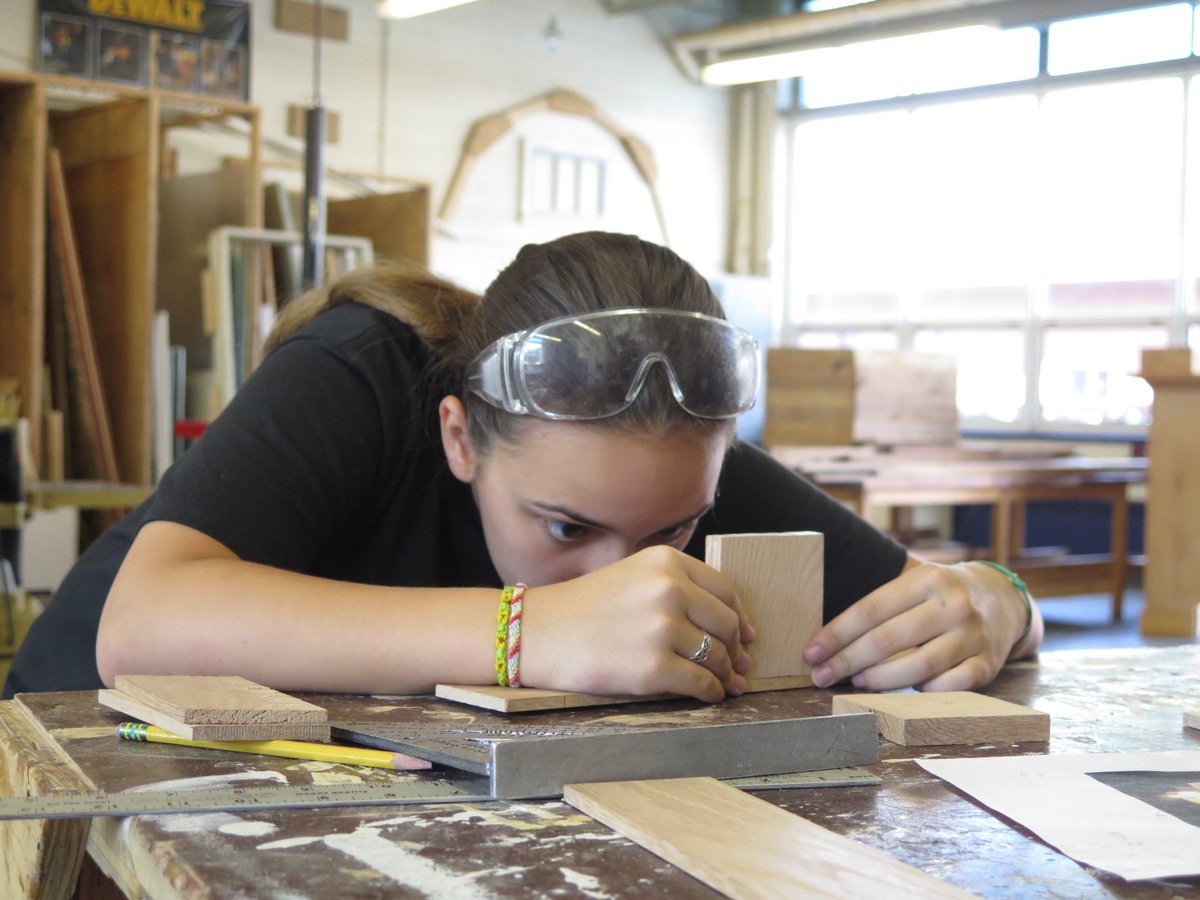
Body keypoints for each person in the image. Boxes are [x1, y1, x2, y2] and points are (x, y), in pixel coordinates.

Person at [4, 232, 1042, 702]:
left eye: (670, 532)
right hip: (74, 777)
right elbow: (142, 627)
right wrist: (532, 633)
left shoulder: (665, 461)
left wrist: (994, 604)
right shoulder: (363, 372)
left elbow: (938, 601)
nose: (623, 581)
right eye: (564, 527)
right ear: (462, 439)